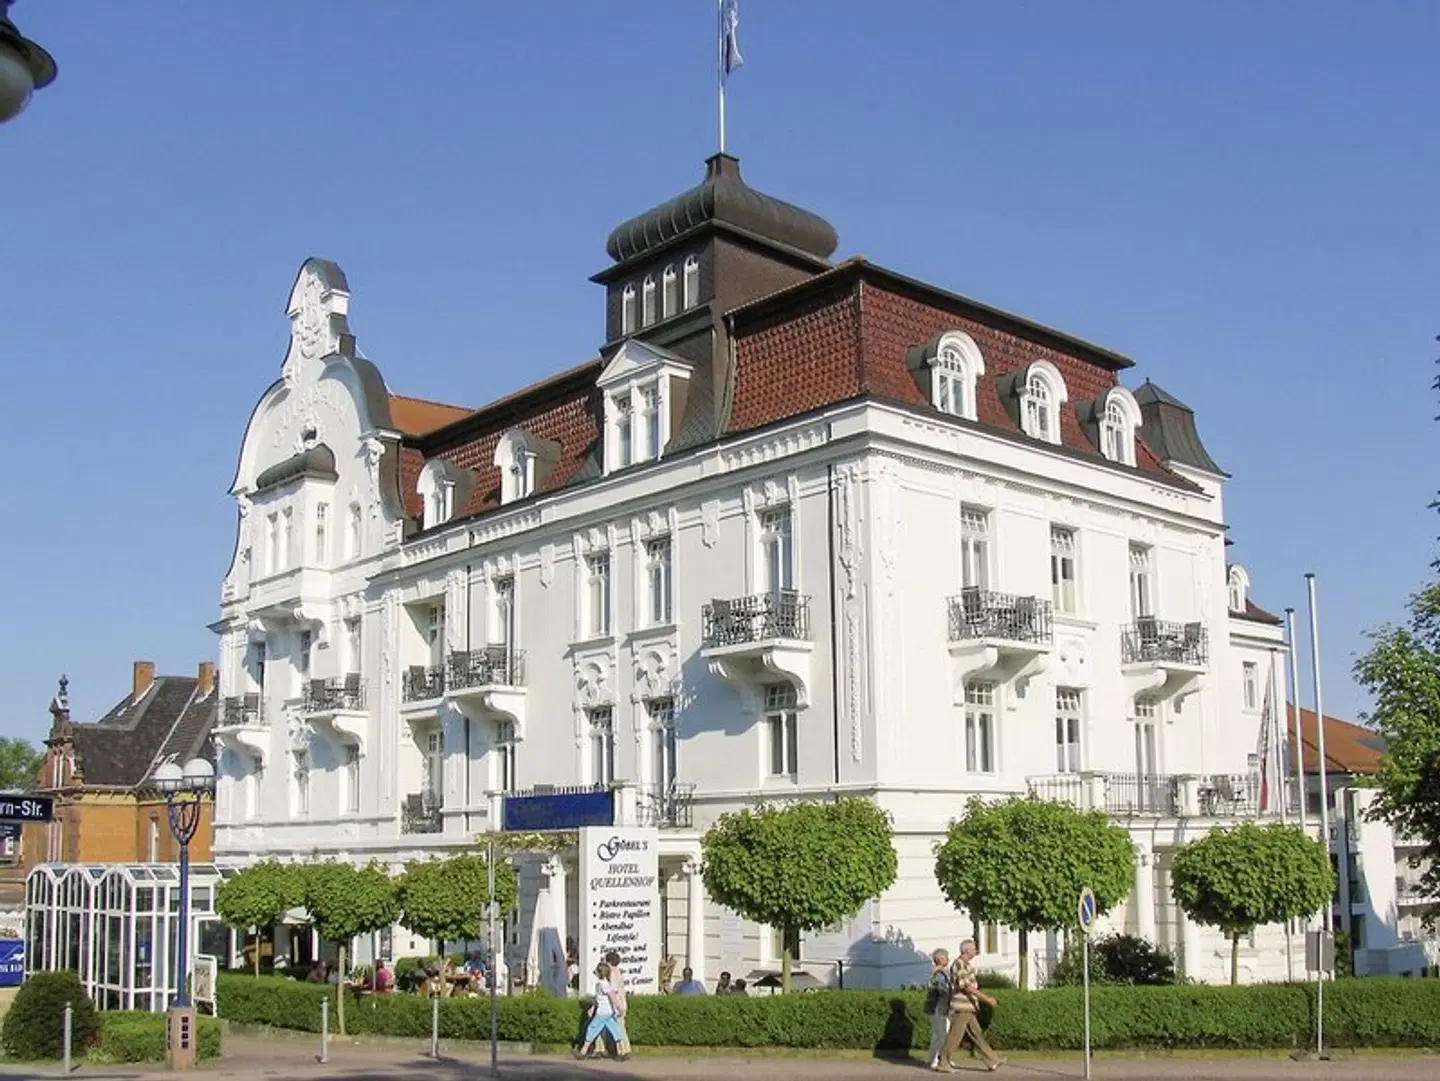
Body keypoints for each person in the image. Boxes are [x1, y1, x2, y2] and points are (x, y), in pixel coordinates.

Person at [937, 939, 1004, 1073]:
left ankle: (992, 1060)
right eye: (974, 949)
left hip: (969, 1007)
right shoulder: (959, 965)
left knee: (977, 1034)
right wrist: (987, 999)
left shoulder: (968, 966)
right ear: (967, 950)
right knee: (955, 1036)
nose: (976, 951)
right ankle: (943, 1062)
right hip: (961, 1007)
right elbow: (966, 987)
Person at [574, 962, 630, 1061]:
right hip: (609, 1012)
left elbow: (612, 997)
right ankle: (621, 1052)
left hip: (602, 1012)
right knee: (615, 1030)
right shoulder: (602, 984)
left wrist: (620, 1007)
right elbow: (598, 998)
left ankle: (583, 1051)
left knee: (592, 1029)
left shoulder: (603, 984)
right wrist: (618, 1009)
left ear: (600, 973)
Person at [924, 948, 952, 1070]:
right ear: (941, 959)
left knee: (936, 1034)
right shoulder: (940, 975)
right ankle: (937, 1060)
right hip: (939, 1008)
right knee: (942, 1035)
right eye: (947, 957)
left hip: (934, 1008)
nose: (948, 959)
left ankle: (931, 1058)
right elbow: (942, 991)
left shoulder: (936, 973)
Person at [603, 950, 633, 1057]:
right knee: (617, 1027)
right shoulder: (618, 972)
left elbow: (614, 992)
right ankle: (621, 1050)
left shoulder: (612, 974)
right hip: (621, 1002)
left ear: (609, 962)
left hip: (617, 1004)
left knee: (619, 1028)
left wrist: (618, 1007)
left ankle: (624, 1050)